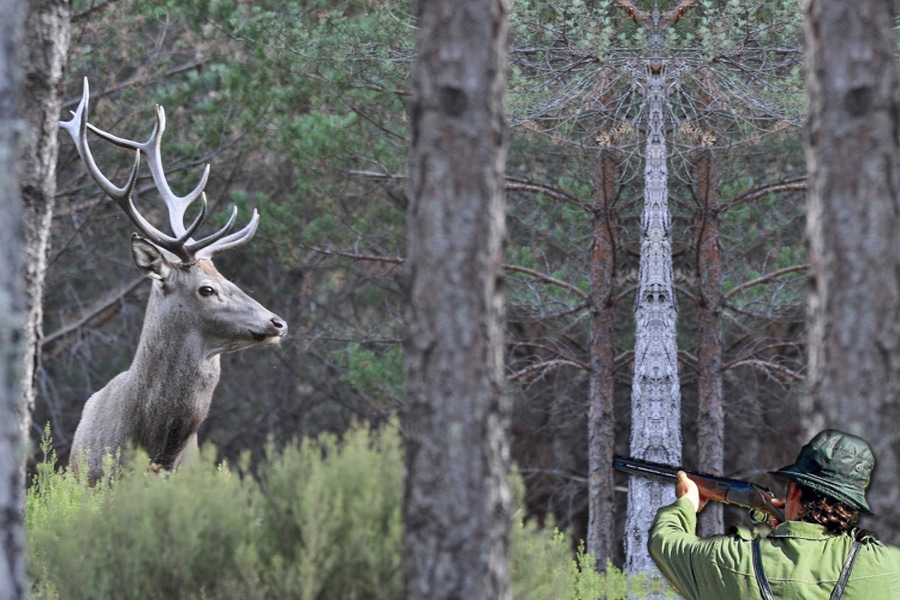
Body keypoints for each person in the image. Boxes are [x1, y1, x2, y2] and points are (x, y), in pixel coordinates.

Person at [648, 429, 900, 599]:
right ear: (851, 506)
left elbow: (665, 542)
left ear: (794, 492)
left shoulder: (729, 558)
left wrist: (688, 502)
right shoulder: (891, 565)